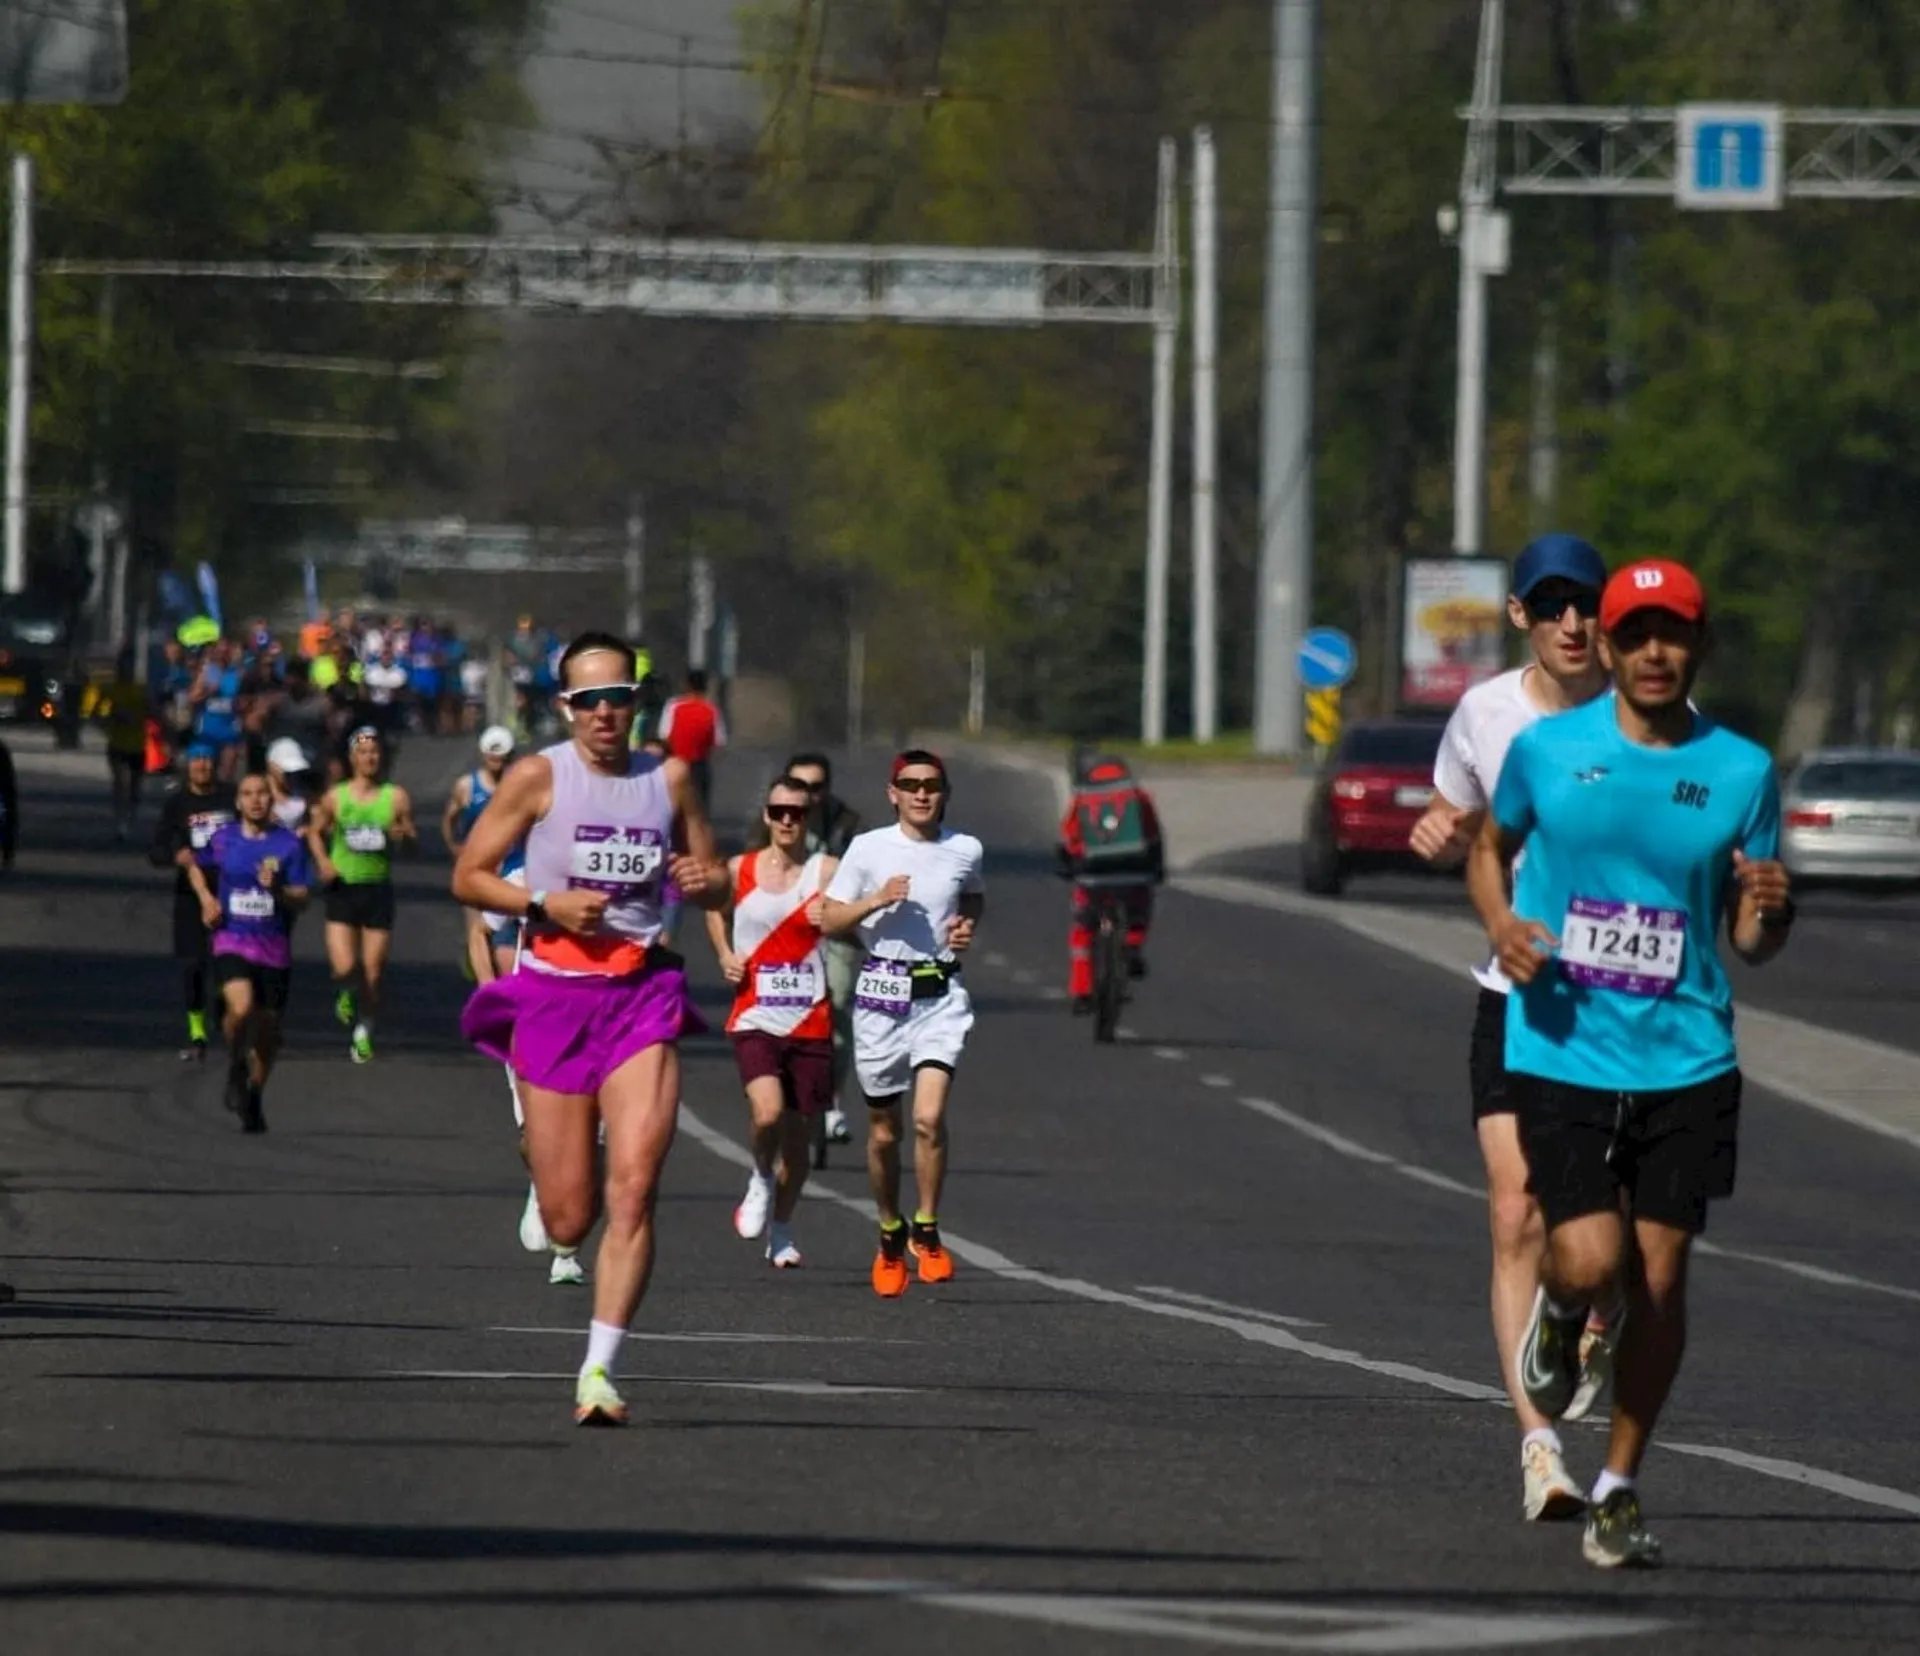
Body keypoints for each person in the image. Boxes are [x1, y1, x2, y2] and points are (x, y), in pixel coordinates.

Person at [1466, 558, 1793, 1570]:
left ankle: (1617, 1486)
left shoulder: (1741, 770)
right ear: (1606, 646)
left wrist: (1766, 910)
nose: (1656, 651)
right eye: (1636, 633)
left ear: (1699, 649)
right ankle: (1561, 1317)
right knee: (1588, 1258)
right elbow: (1488, 843)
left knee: (1660, 1280)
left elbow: (1751, 937)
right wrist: (1503, 922)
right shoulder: (1549, 751)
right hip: (1561, 1041)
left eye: (1675, 634)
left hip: (1689, 1055)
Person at [452, 631, 729, 1426]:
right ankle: (549, 1190)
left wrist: (703, 880)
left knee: (636, 1185)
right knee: (571, 1215)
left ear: (636, 704)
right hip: (552, 995)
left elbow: (711, 887)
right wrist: (543, 905)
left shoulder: (669, 779)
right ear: (565, 707)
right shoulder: (539, 777)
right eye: (589, 700)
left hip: (641, 995)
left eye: (619, 698)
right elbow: (467, 875)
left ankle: (598, 1371)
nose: (605, 713)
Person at [1406, 531, 1613, 1523]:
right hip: (1517, 992)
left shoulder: (1654, 718)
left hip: (1628, 1008)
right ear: (1522, 615)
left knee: (1608, 1237)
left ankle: (1585, 1312)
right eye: (1554, 604)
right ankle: (1539, 1447)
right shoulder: (1485, 712)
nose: (1575, 622)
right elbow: (1454, 822)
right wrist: (1438, 834)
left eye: (1589, 603)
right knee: (1513, 1209)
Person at [821, 750, 984, 1298]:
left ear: (944, 792)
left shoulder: (965, 849)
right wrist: (876, 899)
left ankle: (929, 1228)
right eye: (910, 785)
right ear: (892, 793)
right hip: (880, 1003)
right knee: (885, 1132)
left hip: (939, 997)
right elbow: (828, 917)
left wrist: (964, 926)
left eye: (931, 785)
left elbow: (973, 897)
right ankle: (891, 1229)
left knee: (929, 1119)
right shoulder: (867, 849)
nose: (921, 794)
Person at [708, 774, 840, 1268]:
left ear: (808, 819)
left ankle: (781, 1230)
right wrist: (725, 953)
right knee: (766, 1113)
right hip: (755, 1015)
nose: (788, 821)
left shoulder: (827, 872)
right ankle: (760, 1177)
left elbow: (857, 919)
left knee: (800, 1142)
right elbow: (712, 909)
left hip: (810, 1019)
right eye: (779, 812)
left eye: (798, 813)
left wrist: (838, 917)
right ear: (766, 815)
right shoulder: (739, 869)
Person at [185, 772, 314, 1133]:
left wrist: (280, 892)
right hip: (232, 939)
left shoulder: (288, 845)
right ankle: (235, 1065)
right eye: (248, 794)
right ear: (238, 802)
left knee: (269, 1033)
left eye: (262, 794)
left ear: (270, 801)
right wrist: (206, 899)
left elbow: (303, 898)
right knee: (240, 1009)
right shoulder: (224, 840)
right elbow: (196, 865)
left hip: (273, 946)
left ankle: (254, 1092)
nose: (256, 800)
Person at [746, 752, 863, 1144]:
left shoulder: (848, 827)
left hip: (835, 933)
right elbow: (746, 878)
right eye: (798, 787)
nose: (805, 799)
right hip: (781, 938)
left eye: (815, 788)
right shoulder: (768, 824)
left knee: (840, 1017)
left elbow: (862, 882)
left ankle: (831, 1101)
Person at [306, 726, 416, 1064]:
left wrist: (404, 837)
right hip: (343, 887)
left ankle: (364, 1031)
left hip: (377, 889)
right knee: (345, 967)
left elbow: (410, 843)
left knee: (373, 972)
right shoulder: (336, 797)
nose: (370, 758)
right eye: (364, 753)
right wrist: (324, 861)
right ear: (353, 758)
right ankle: (345, 992)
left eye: (375, 753)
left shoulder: (395, 797)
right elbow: (314, 831)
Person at [150, 741, 238, 1060]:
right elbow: (156, 850)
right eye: (197, 761)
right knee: (193, 965)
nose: (202, 766)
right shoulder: (177, 804)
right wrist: (176, 855)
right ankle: (196, 1031)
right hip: (190, 895)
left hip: (231, 892)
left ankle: (223, 1009)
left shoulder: (231, 797)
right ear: (188, 766)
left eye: (208, 761)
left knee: (226, 963)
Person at [1056, 752, 1163, 1012]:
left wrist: (1069, 867)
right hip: (1133, 873)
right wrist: (1156, 868)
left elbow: (1069, 837)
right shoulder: (1137, 796)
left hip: (1093, 878)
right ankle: (1133, 946)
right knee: (1140, 909)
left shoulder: (1082, 799)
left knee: (1083, 930)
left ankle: (1082, 990)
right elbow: (1153, 834)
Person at [443, 726, 519, 985]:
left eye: (501, 758)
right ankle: (484, 986)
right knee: (478, 930)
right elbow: (450, 819)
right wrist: (455, 847)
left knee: (506, 935)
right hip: (476, 871)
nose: (496, 763)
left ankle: (500, 981)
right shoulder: (466, 786)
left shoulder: (519, 787)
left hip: (510, 870)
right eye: (491, 757)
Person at [656, 668, 727, 812]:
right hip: (699, 766)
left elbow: (663, 735)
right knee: (699, 810)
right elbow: (719, 741)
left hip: (675, 764)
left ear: (686, 685)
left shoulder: (674, 706)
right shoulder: (711, 709)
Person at [102, 648, 152, 844]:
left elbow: (152, 710)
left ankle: (130, 816)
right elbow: (99, 713)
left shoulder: (141, 690)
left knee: (134, 786)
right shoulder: (111, 690)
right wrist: (113, 717)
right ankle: (120, 821)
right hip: (118, 743)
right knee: (120, 782)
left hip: (137, 744)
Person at [265, 738, 316, 832]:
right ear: (271, 766)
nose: (292, 776)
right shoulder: (258, 793)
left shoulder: (304, 797)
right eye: (287, 771)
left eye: (295, 772)